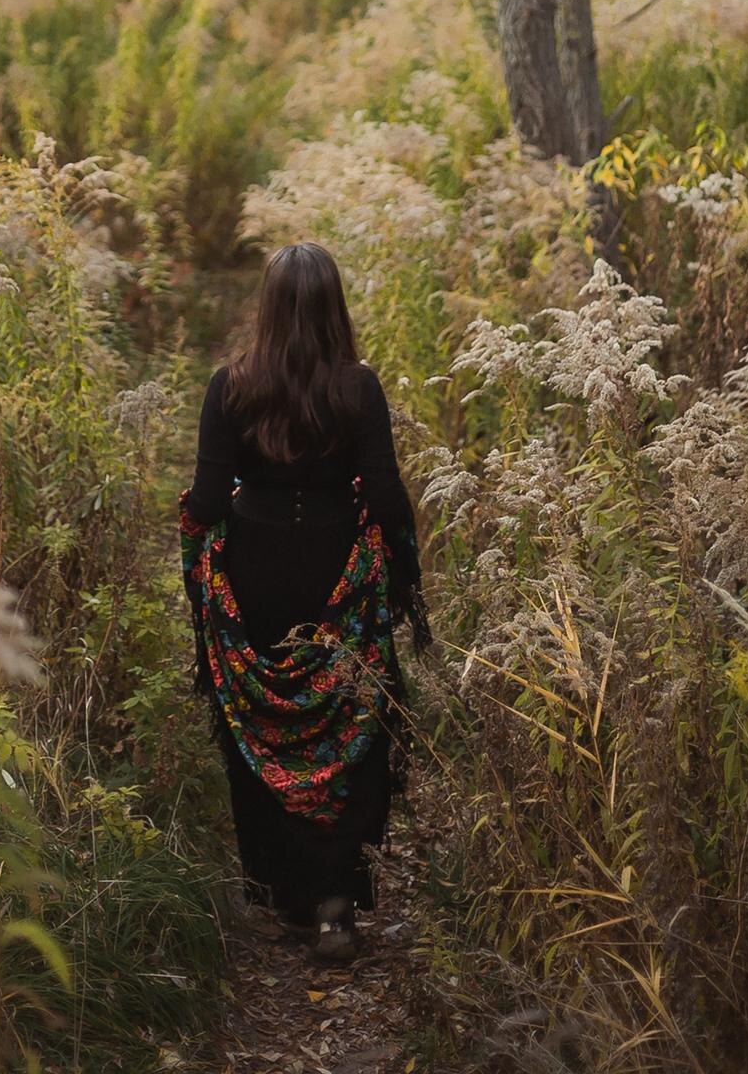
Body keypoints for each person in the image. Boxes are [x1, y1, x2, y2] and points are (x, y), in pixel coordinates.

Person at [179, 241, 430, 965]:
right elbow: (383, 499)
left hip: (253, 572)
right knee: (348, 729)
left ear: (266, 306)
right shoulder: (359, 387)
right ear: (333, 307)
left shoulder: (229, 386)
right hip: (336, 578)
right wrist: (405, 584)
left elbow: (202, 501)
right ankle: (335, 909)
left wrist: (200, 539)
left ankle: (286, 899)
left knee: (261, 732)